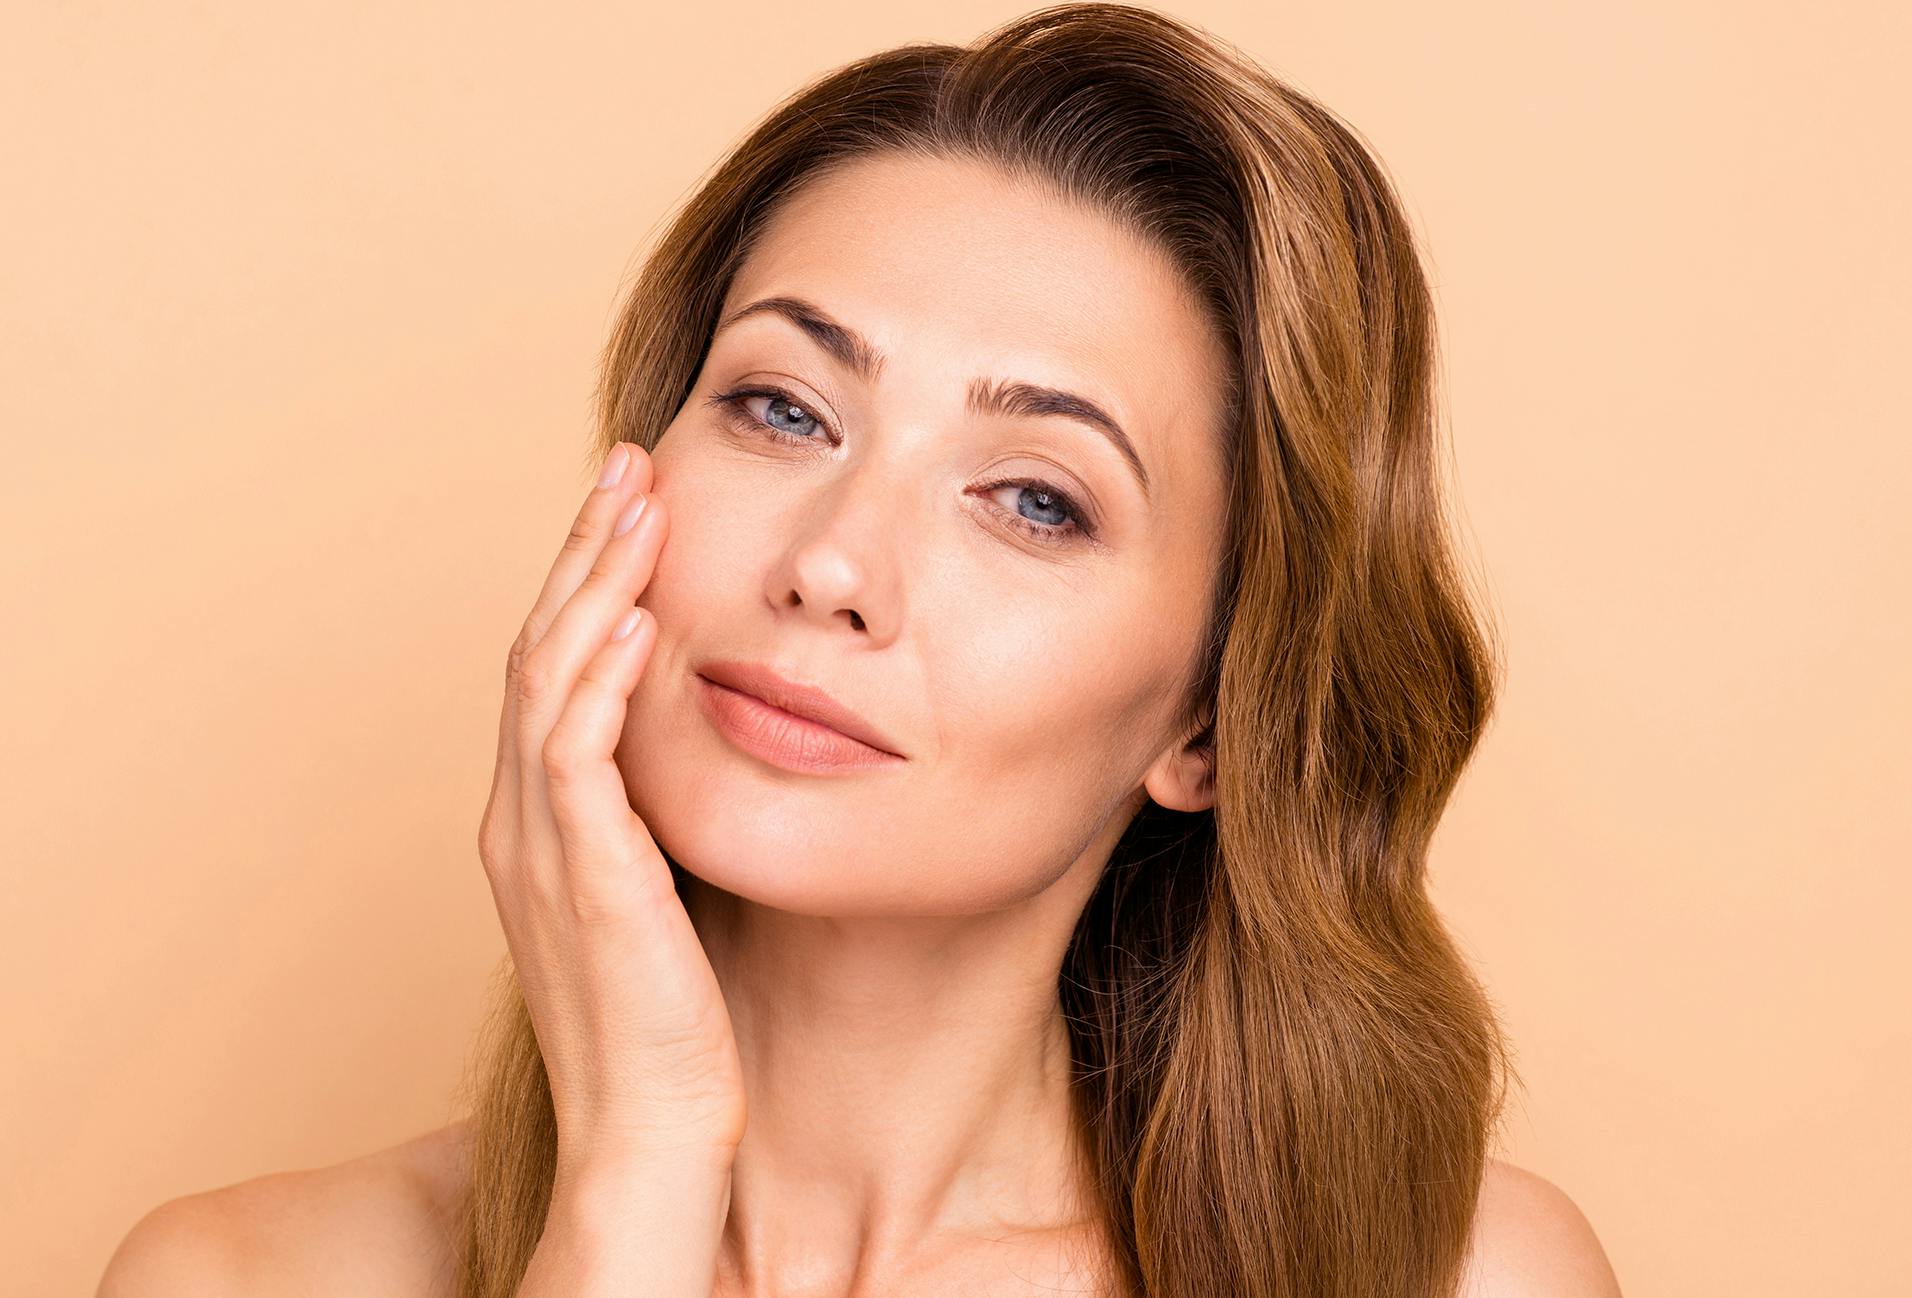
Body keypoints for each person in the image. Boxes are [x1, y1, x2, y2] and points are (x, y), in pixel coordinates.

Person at [98, 5, 1623, 1296]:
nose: (831, 563)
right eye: (782, 409)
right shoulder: (246, 1272)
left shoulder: (1459, 1273)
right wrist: (633, 1177)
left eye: (1035, 500)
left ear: (1210, 724)